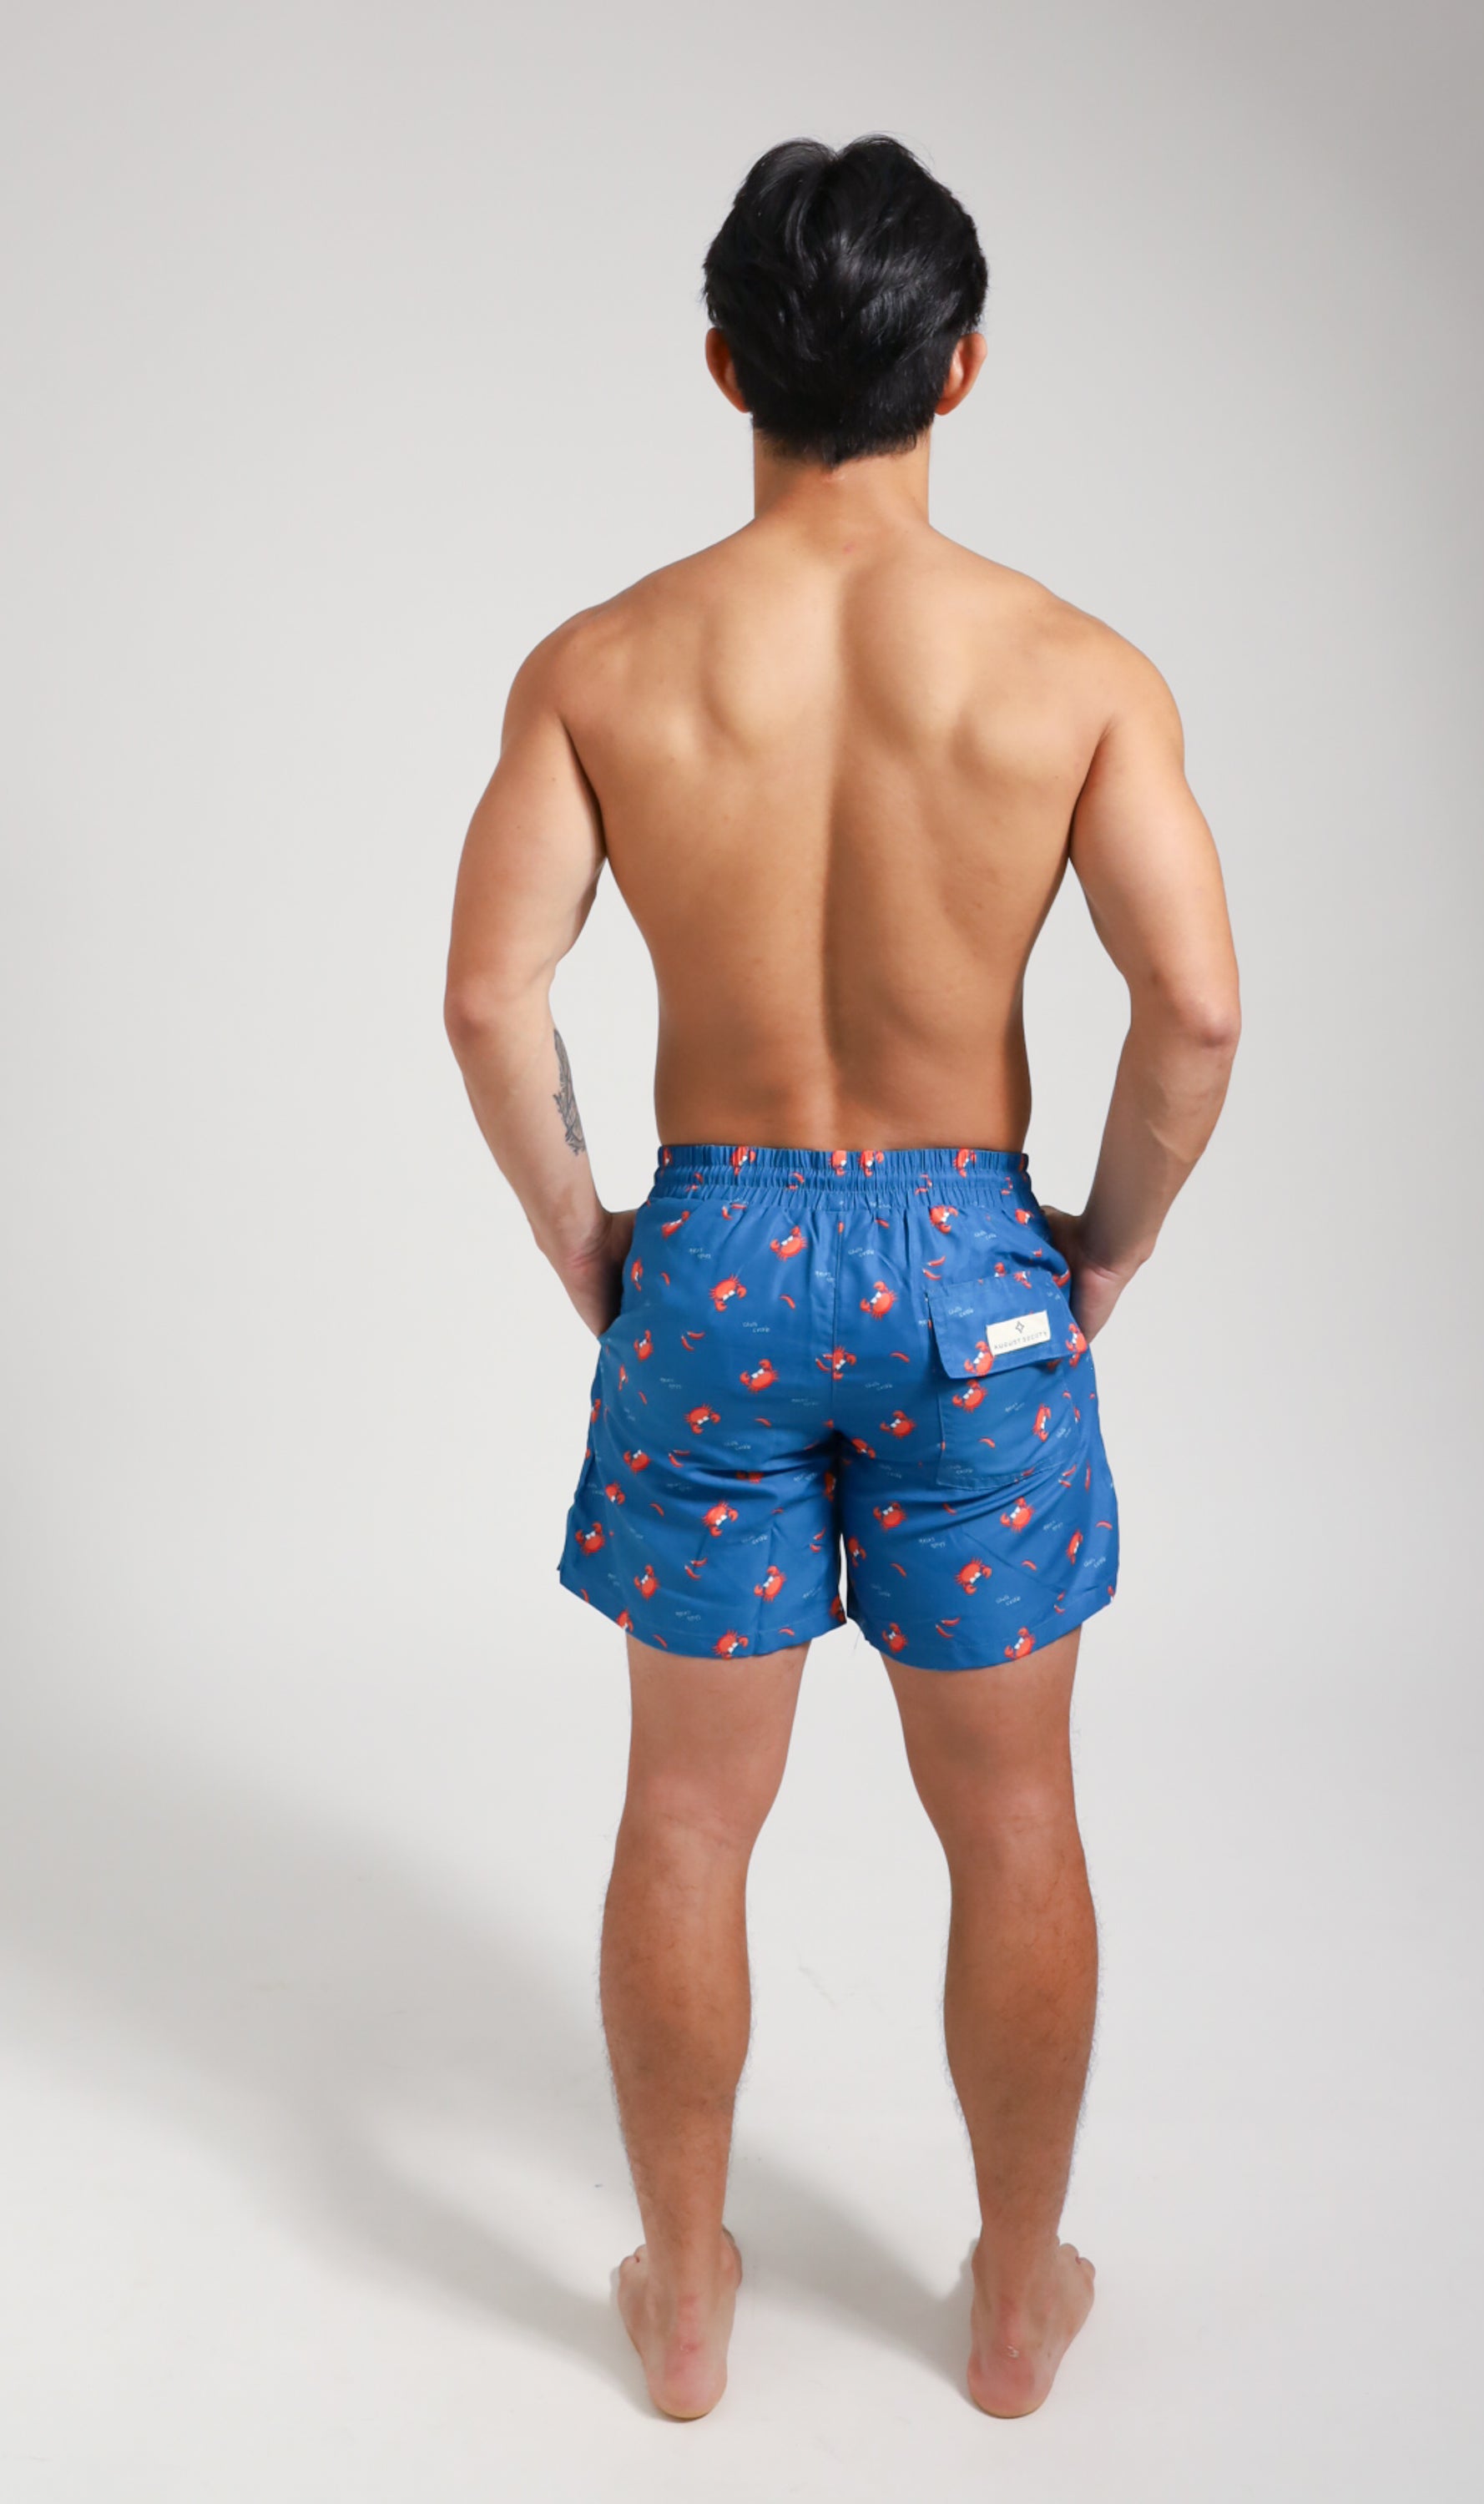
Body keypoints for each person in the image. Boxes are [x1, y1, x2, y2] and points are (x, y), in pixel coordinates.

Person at [443, 134, 1239, 2422]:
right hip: (975, 1269)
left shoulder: (602, 665)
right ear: (959, 368)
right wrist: (1103, 1246)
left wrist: (588, 1240)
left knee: (689, 1813)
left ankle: (689, 2308)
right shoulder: (1076, 671)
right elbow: (1194, 1013)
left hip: (711, 1256)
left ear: (726, 368)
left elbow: (491, 999)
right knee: (1014, 1817)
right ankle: (1012, 2310)